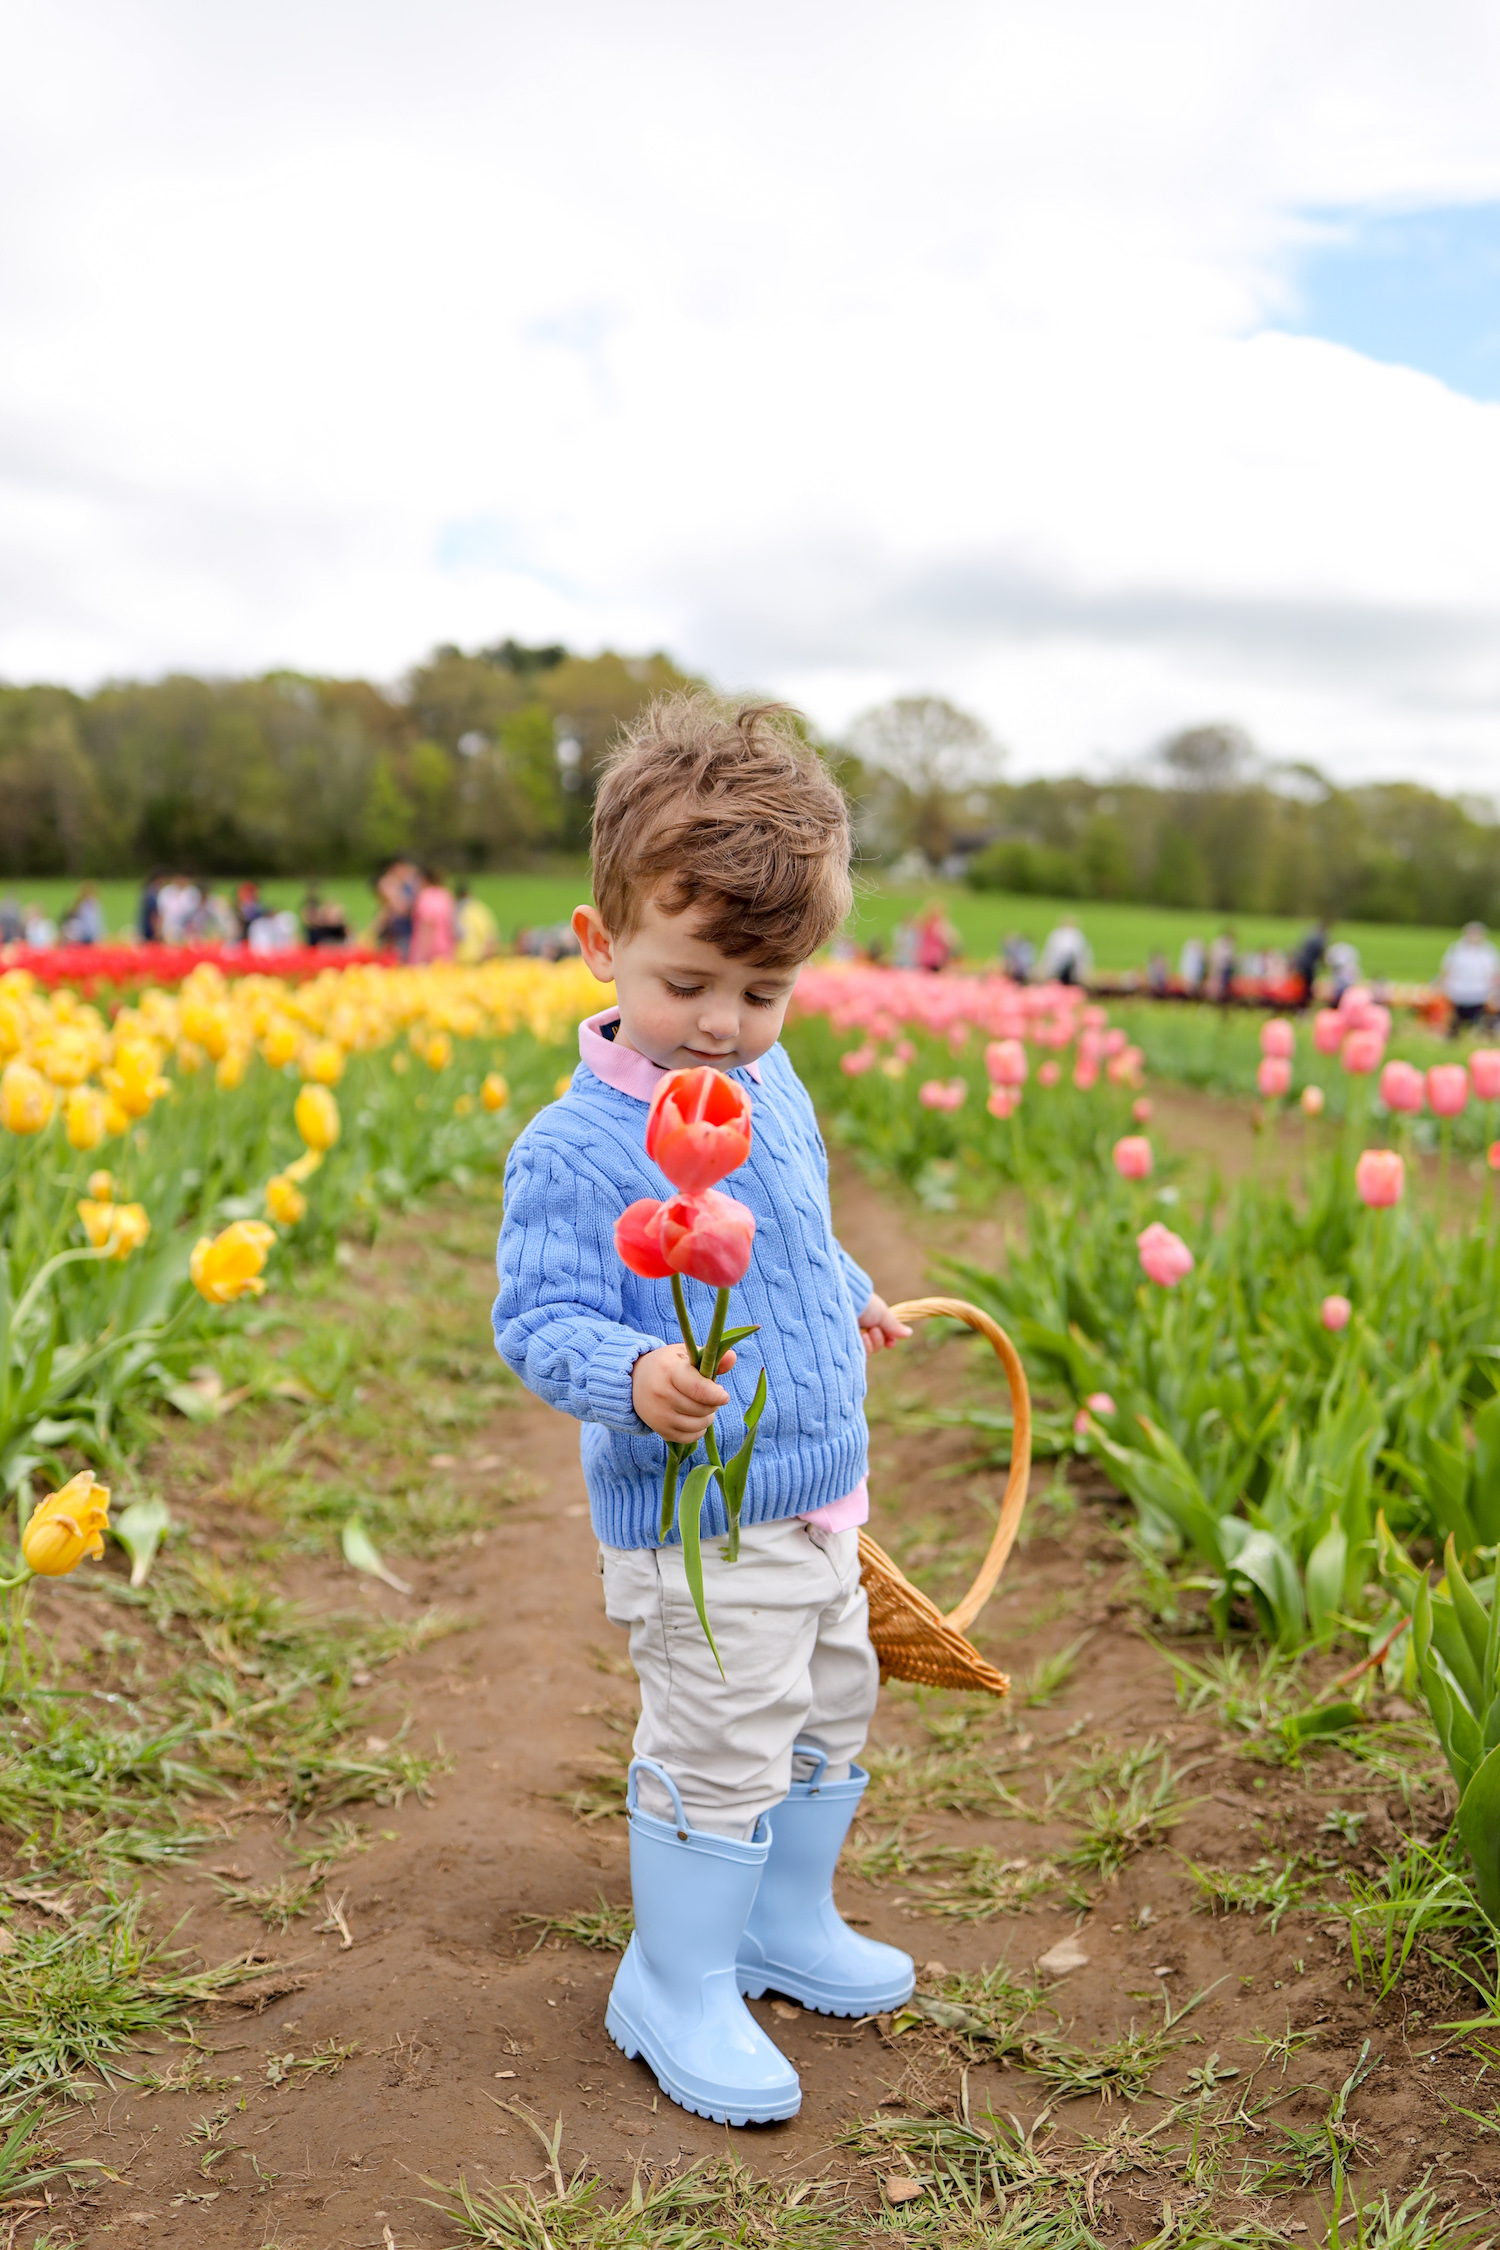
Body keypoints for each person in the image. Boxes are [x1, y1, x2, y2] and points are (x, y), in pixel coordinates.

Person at [493, 695, 915, 2127]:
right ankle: (674, 1978)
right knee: (722, 1733)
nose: (725, 1026)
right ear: (600, 941)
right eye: (689, 984)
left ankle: (783, 1921)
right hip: (697, 1514)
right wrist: (632, 1374)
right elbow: (540, 1318)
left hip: (819, 1491)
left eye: (764, 992)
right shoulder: (578, 1145)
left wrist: (849, 1289)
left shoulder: (761, 1084)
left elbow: (793, 1228)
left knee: (831, 1704)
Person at [1441, 921, 1500, 1033]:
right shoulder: (1456, 949)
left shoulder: (1489, 951)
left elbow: (1496, 974)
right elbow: (1446, 971)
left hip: (1482, 992)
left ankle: (1488, 1026)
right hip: (1457, 991)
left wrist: (1494, 991)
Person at [373, 857, 420, 959]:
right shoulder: (389, 884)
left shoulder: (409, 884)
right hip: (395, 930)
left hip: (407, 930)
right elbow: (399, 908)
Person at [410, 868, 455, 963]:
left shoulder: (424, 896)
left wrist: (420, 956)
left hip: (429, 949)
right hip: (445, 947)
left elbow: (427, 925)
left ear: (424, 880)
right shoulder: (446, 895)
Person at [1037, 914, 1091, 987]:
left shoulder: (1058, 934)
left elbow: (1048, 953)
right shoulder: (1077, 935)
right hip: (1063, 968)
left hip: (1062, 968)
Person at [454, 883, 498, 963]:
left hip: (460, 957)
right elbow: (490, 934)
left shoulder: (455, 909)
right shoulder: (478, 909)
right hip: (476, 956)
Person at [1292, 919, 1329, 1008]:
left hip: (1301, 962)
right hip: (1309, 965)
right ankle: (1304, 1006)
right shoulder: (1320, 940)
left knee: (1301, 984)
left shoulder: (1310, 937)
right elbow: (1321, 955)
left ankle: (1299, 1004)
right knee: (1308, 986)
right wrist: (1326, 966)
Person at [1206, 928, 1236, 1006]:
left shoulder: (1218, 943)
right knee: (1219, 985)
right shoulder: (1226, 945)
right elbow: (1228, 960)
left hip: (1217, 968)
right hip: (1221, 969)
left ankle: (1215, 999)